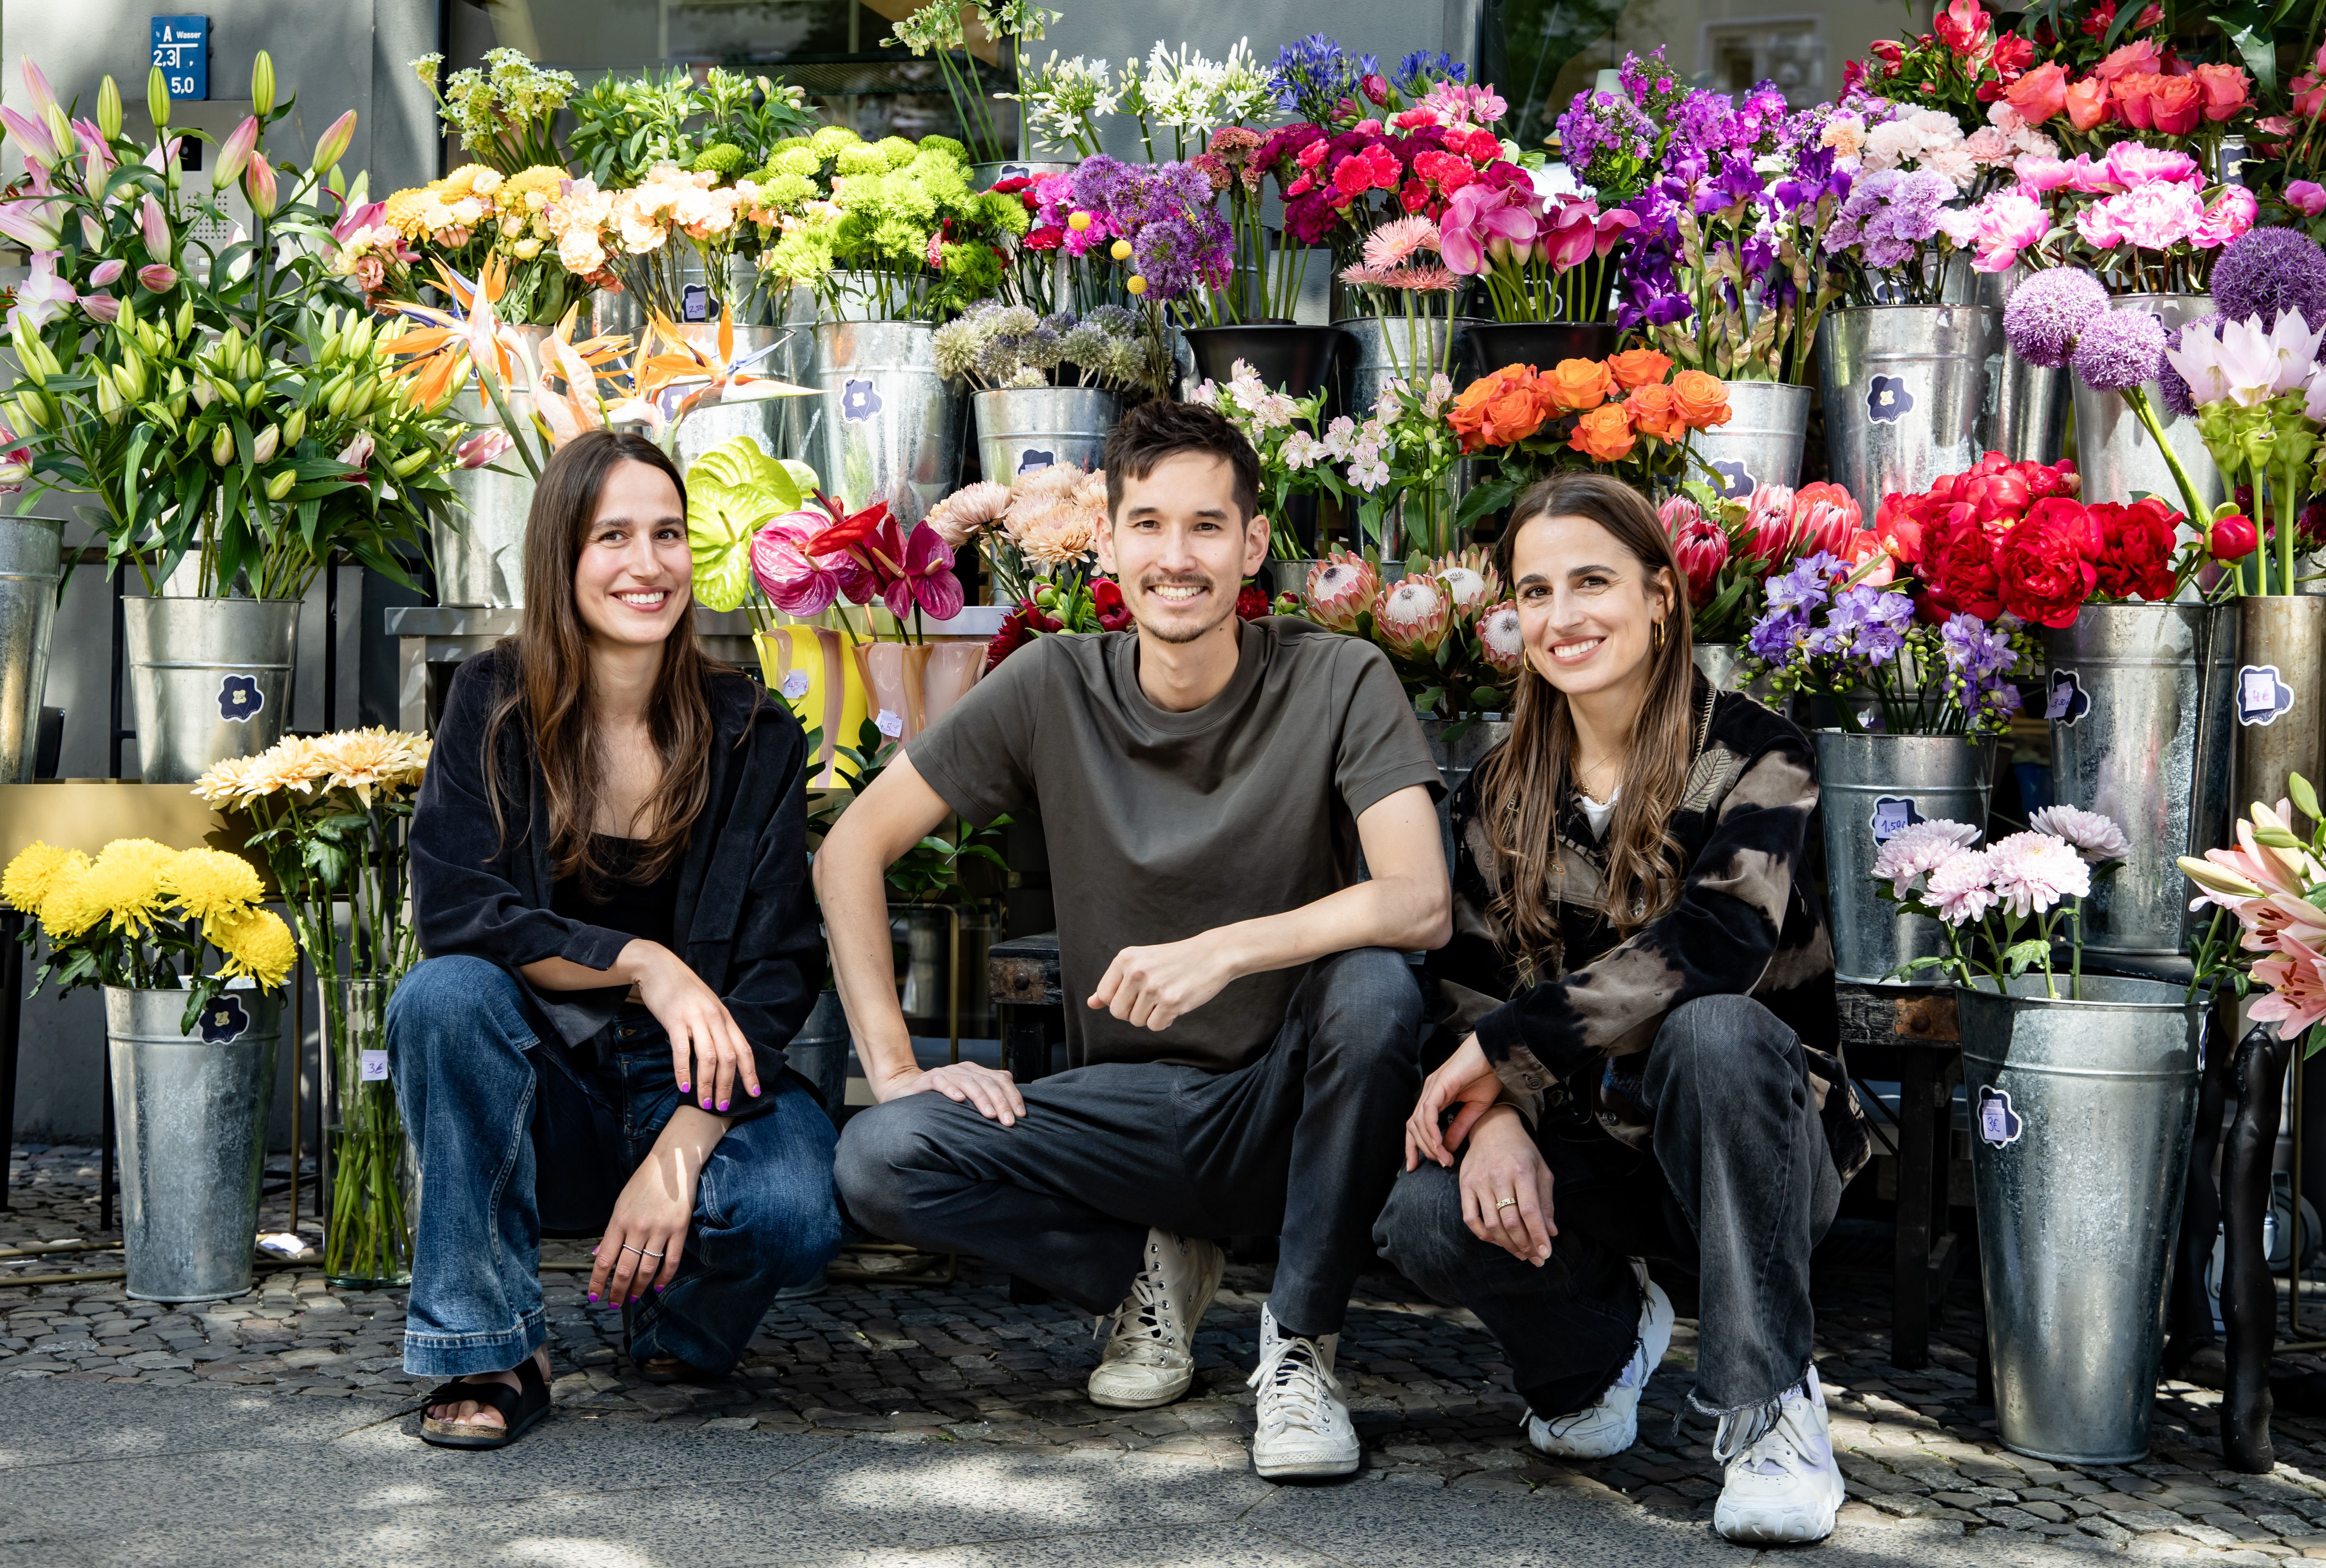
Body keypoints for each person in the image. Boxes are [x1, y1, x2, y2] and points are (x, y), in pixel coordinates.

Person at [821, 399, 1450, 1480]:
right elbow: (849, 849)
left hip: (1285, 1108)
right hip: (1122, 1121)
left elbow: (1418, 901)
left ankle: (1300, 1346)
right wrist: (891, 1068)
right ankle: (1141, 1271)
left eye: (1206, 527)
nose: (1176, 557)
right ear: (1106, 540)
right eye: (1148, 525)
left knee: (1374, 989)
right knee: (881, 1159)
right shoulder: (1051, 683)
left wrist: (1226, 949)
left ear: (1252, 546)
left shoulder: (1337, 680)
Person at [1369, 472, 1869, 1544]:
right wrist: (1496, 1114)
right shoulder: (1495, 785)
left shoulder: (1757, 754)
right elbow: (1462, 982)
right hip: (1587, 1142)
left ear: (1657, 597)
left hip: (1755, 1142)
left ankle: (1768, 1406)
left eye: (1590, 582)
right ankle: (1594, 1353)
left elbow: (1718, 945)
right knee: (1421, 1213)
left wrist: (1507, 1048)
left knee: (1715, 1032)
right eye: (1534, 592)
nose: (1561, 618)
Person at [389, 430, 839, 1449]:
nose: (648, 565)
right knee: (444, 997)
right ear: (563, 557)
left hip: (701, 1082)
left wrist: (684, 1143)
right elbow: (459, 910)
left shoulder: (749, 729)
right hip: (547, 1083)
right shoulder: (491, 702)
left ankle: (672, 1319)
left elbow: (779, 968)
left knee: (790, 1210)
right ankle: (492, 1347)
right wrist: (645, 964)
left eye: (668, 534)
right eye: (614, 537)